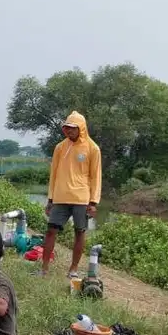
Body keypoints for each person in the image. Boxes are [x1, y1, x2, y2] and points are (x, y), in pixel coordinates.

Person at [40, 110, 102, 278]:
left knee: (79, 232)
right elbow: (54, 173)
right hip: (60, 197)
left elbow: (96, 176)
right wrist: (50, 199)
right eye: (66, 128)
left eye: (72, 128)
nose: (68, 131)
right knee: (51, 231)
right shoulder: (60, 147)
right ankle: (44, 269)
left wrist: (93, 202)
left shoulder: (92, 148)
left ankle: (73, 269)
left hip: (82, 199)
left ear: (81, 128)